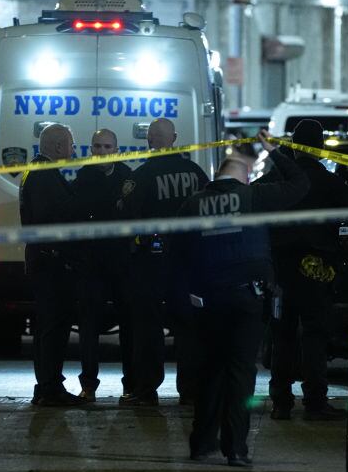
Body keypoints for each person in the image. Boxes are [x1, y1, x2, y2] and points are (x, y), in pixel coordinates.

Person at [178, 129, 309, 466]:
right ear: (245, 172)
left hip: (205, 303)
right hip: (246, 301)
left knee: (209, 371)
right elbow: (300, 185)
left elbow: (178, 254)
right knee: (239, 373)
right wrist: (274, 151)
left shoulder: (192, 204)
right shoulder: (253, 198)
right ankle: (235, 448)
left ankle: (201, 443)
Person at [264, 119, 348, 421]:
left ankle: (281, 403)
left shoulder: (276, 179)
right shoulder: (328, 182)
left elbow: (252, 205)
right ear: (321, 147)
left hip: (280, 269)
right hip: (316, 269)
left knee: (282, 334)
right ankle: (314, 402)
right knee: (314, 335)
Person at [119, 118, 208, 406]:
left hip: (152, 263)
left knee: (148, 328)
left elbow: (128, 213)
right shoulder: (195, 172)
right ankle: (192, 390)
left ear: (149, 140)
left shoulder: (142, 176)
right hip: (190, 262)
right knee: (189, 328)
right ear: (175, 138)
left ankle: (146, 390)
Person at [20, 123, 86, 407]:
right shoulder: (45, 176)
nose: (73, 149)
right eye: (70, 144)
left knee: (48, 327)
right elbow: (54, 218)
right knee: (53, 328)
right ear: (59, 146)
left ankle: (47, 385)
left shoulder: (35, 172)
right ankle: (49, 388)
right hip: (51, 264)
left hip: (43, 260)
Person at [72, 129, 134, 402]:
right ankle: (88, 385)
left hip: (121, 261)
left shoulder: (128, 176)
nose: (102, 150)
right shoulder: (84, 176)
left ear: (116, 148)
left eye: (107, 145)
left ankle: (131, 384)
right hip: (92, 262)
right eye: (97, 146)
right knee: (88, 327)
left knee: (129, 327)